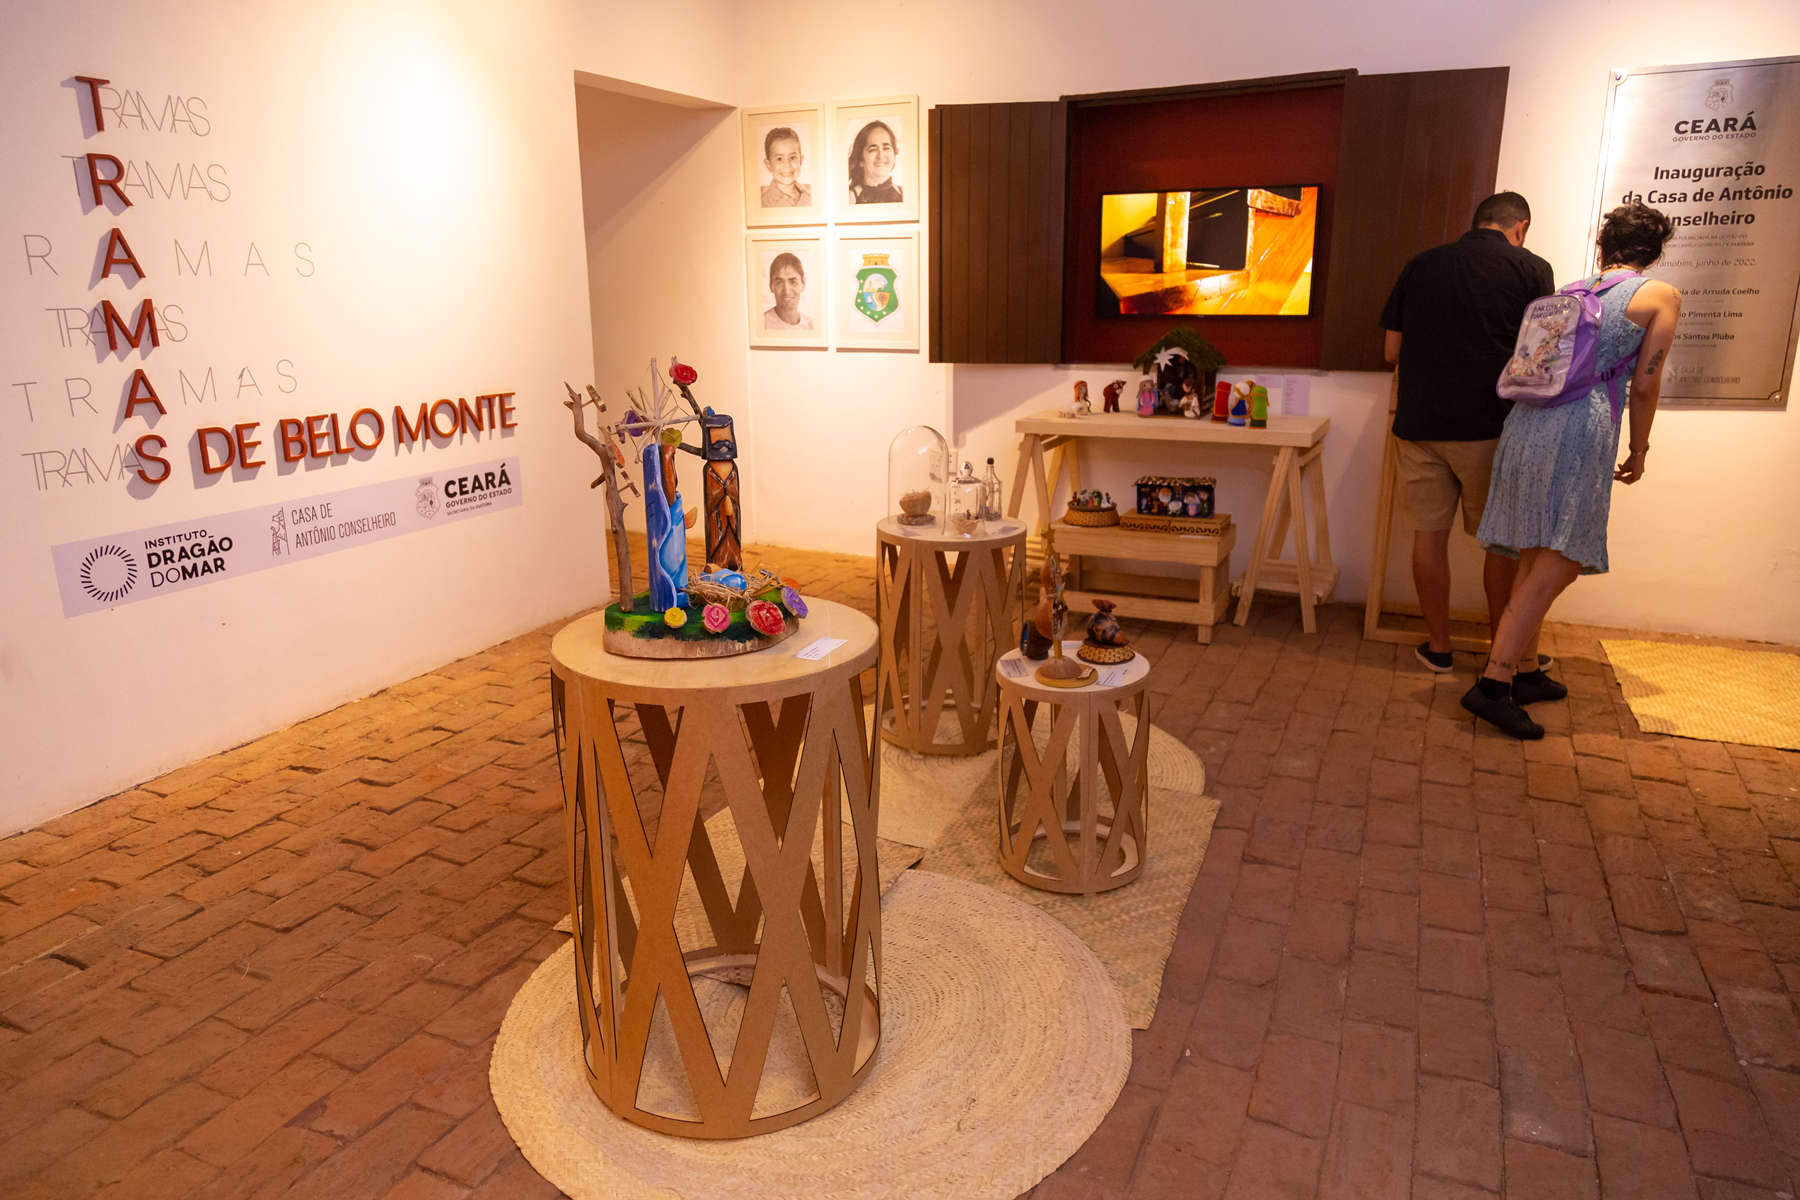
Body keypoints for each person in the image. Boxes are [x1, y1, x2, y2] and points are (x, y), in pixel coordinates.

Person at [1463, 203, 1682, 739]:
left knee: (1534, 551)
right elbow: (1645, 384)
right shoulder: (1660, 295)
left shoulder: (1572, 290)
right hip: (1579, 429)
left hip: (1526, 423)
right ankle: (1493, 685)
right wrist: (1639, 449)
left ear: (1604, 247)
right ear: (1653, 253)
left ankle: (1527, 672)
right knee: (1559, 561)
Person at [1380, 192, 1555, 677]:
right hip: (1490, 427)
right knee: (1502, 543)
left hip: (1419, 426)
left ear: (1477, 222)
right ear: (1520, 227)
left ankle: (1439, 648)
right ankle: (1505, 655)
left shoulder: (1420, 265)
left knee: (1428, 536)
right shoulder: (1532, 268)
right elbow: (1541, 356)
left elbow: (1392, 351)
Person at [847, 119, 902, 204]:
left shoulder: (905, 194)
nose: (881, 155)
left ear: (894, 156)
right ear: (860, 160)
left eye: (886, 148)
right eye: (873, 149)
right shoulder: (850, 199)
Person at [759, 126, 811, 208]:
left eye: (792, 157)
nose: (787, 165)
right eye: (779, 159)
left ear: (800, 160)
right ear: (768, 165)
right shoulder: (763, 203)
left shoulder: (810, 198)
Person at [762, 252, 813, 330]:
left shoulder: (812, 326)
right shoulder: (761, 324)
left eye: (793, 282)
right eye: (779, 283)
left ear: (803, 283)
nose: (787, 291)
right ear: (771, 286)